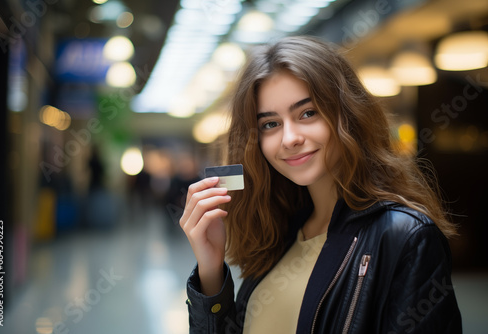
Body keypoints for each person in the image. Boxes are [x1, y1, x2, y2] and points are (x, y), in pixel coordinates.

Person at [179, 36, 462, 334]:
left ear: (348, 115)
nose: (290, 138)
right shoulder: (281, 231)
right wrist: (210, 273)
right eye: (270, 124)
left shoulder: (405, 235)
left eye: (308, 113)